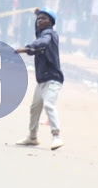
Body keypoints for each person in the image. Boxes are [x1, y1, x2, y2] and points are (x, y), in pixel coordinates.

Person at [15, 8, 64, 150]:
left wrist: (26, 48)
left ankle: (56, 136)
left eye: (43, 19)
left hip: (53, 79)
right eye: (38, 19)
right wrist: (38, 13)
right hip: (42, 80)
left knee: (49, 104)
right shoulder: (41, 33)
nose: (39, 21)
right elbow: (38, 42)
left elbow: (42, 42)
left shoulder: (49, 34)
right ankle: (32, 137)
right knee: (35, 108)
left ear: (51, 22)